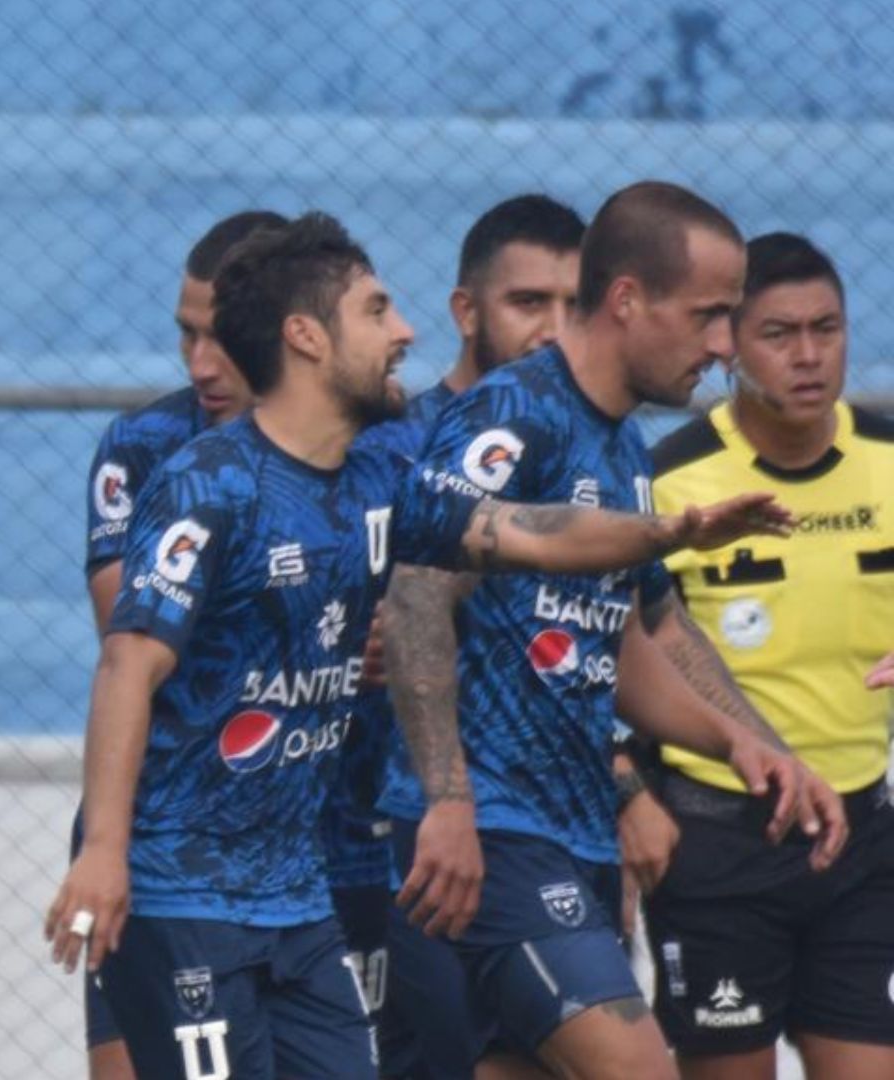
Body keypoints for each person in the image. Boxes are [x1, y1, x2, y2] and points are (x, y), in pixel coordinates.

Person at [44, 211, 792, 1080]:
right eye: (377, 310)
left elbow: (532, 532)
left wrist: (671, 531)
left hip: (299, 903)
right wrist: (103, 850)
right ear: (307, 337)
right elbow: (128, 662)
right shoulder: (207, 484)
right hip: (184, 895)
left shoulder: (385, 477)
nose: (404, 333)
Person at [377, 182, 847, 1080]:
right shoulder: (516, 415)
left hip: (575, 834)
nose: (723, 347)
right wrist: (447, 798)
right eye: (710, 315)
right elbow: (416, 595)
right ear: (628, 299)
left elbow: (634, 634)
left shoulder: (625, 447)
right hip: (493, 833)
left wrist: (752, 742)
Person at [639, 232, 894, 1079]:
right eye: (779, 335)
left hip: (863, 838)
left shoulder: (889, 458)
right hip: (719, 838)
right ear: (729, 348)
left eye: (828, 328)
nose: (810, 355)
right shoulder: (669, 483)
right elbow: (610, 651)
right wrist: (631, 792)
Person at [353, 194, 588, 1080]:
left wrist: (628, 778)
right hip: (402, 840)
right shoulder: (391, 448)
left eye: (574, 306)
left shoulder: (583, 450)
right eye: (530, 303)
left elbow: (600, 640)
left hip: (554, 829)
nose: (554, 331)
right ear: (466, 312)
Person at [79, 209, 283, 1080]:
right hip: (157, 831)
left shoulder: (368, 455)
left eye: (222, 337)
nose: (200, 364)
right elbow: (129, 629)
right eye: (185, 334)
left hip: (306, 840)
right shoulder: (141, 447)